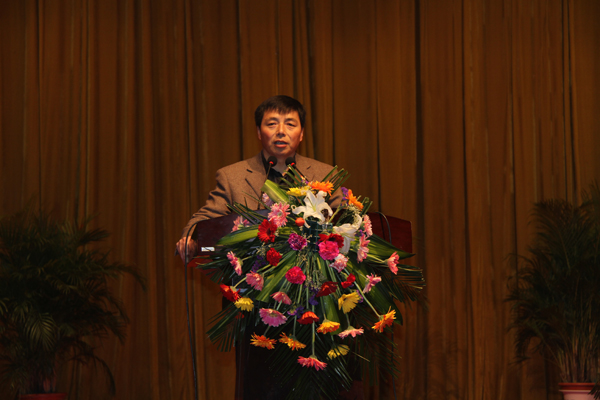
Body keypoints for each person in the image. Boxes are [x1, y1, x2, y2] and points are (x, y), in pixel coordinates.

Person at [176, 95, 338, 261]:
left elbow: (346, 220)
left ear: (302, 133)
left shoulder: (324, 175)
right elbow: (205, 218)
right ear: (259, 132)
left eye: (290, 124)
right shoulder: (232, 177)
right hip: (252, 272)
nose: (281, 131)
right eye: (272, 124)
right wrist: (190, 239)